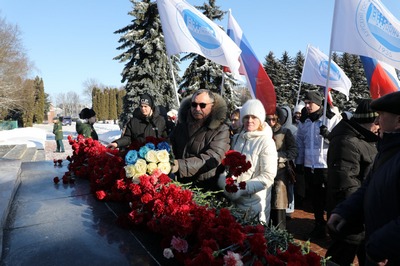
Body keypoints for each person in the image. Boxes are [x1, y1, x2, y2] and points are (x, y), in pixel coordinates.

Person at [327, 91, 400, 266]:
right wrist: (345, 210)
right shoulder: (387, 150)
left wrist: (381, 245)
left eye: (381, 115)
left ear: (399, 121)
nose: (376, 122)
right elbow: (369, 187)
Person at [325, 99, 379, 266]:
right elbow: (346, 183)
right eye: (376, 122)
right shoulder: (346, 141)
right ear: (367, 121)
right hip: (350, 218)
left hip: (362, 216)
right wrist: (357, 212)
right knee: (339, 258)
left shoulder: (366, 139)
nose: (379, 127)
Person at [217, 99, 277, 224]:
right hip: (233, 200)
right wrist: (225, 181)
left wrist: (242, 188)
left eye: (254, 117)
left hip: (253, 202)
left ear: (260, 119)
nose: (249, 120)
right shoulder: (237, 138)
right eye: (246, 117)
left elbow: (268, 176)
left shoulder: (266, 142)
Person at [295, 90, 341, 238]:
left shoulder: (331, 118)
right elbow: (300, 143)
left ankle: (331, 227)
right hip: (310, 165)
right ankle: (318, 225)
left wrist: (327, 136)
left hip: (325, 165)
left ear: (318, 103)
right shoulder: (304, 120)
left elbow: (339, 142)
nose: (307, 106)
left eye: (310, 103)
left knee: (329, 199)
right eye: (306, 103)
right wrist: (300, 163)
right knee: (315, 198)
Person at [170, 89, 230, 191]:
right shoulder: (181, 126)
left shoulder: (221, 129)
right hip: (180, 185)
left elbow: (212, 157)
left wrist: (179, 166)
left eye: (202, 105)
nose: (197, 108)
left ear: (212, 106)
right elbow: (170, 146)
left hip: (206, 188)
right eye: (194, 104)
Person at [266, 107, 297, 229]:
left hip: (280, 172)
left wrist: (278, 157)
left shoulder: (285, 132)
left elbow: (293, 151)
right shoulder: (262, 132)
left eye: (273, 119)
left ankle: (280, 236)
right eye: (268, 119)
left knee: (278, 204)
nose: (271, 122)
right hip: (264, 172)